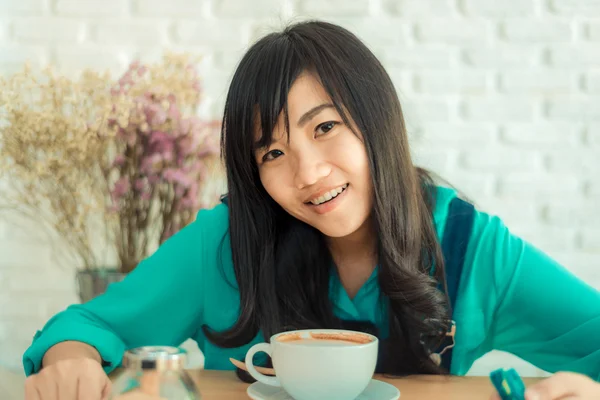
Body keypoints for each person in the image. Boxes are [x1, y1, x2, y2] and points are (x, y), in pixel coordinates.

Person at [23, 20, 599, 400]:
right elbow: (86, 325)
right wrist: (70, 359)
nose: (307, 173)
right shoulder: (226, 243)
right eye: (273, 151)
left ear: (377, 123)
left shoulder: (469, 246)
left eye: (324, 127)